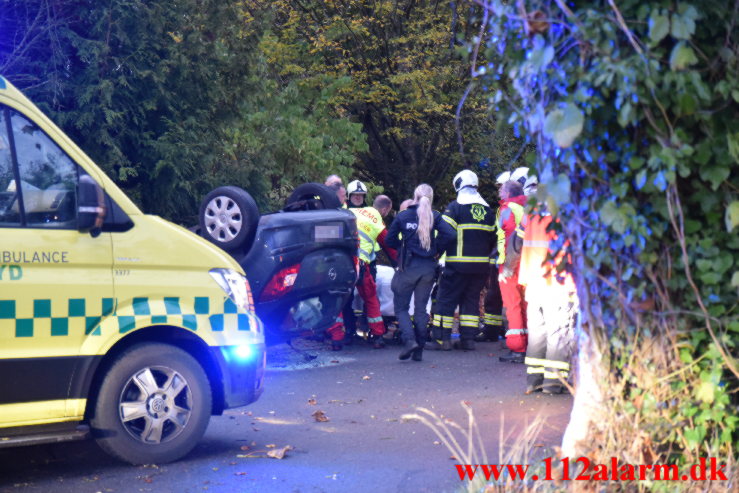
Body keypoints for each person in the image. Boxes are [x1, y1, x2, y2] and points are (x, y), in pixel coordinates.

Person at [427, 170, 496, 351]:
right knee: (471, 301)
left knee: (445, 301)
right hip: (480, 267)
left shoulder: (455, 207)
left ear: (458, 184)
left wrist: (436, 252)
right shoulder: (489, 211)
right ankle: (468, 340)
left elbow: (445, 234)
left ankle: (442, 340)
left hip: (457, 265)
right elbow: (495, 239)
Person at [512, 207, 577, 394]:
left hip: (533, 279)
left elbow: (516, 243)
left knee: (537, 334)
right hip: (559, 281)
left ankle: (533, 381)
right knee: (558, 334)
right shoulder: (569, 212)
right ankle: (553, 383)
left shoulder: (532, 211)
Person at [386, 184, 455, 362]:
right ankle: (419, 351)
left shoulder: (403, 216)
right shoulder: (435, 216)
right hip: (428, 268)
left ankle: (409, 341)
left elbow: (389, 240)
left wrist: (403, 248)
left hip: (408, 267)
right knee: (421, 309)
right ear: (430, 198)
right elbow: (451, 235)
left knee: (401, 307)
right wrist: (436, 250)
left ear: (414, 196)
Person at [329, 181, 397, 349]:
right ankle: (377, 335)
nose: (358, 198)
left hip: (345, 266)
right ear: (349, 197)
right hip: (361, 266)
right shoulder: (372, 215)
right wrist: (399, 262)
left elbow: (324, 237)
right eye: (354, 195)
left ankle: (337, 338)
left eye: (360, 196)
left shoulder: (339, 213)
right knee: (370, 299)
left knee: (337, 300)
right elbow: (387, 242)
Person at [496, 180, 528, 363]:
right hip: (525, 261)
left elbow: (508, 235)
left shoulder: (507, 208)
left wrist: (506, 265)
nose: (499, 192)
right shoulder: (525, 207)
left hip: (510, 262)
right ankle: (528, 343)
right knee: (524, 305)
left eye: (502, 189)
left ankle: (517, 347)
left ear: (508, 192)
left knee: (512, 304)